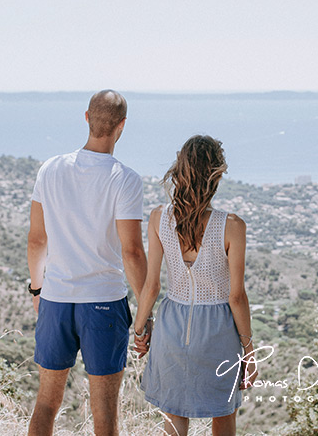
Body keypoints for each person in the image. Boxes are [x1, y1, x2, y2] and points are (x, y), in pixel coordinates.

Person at [26, 89, 148, 436]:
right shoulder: (125, 179)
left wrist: (38, 288)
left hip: (56, 298)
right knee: (105, 417)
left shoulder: (50, 169)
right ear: (122, 126)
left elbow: (37, 240)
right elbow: (132, 252)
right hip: (104, 304)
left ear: (86, 118)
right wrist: (143, 312)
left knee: (46, 405)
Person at [133, 135, 257, 436]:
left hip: (171, 327)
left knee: (173, 419)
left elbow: (151, 286)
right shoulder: (232, 226)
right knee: (223, 415)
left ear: (180, 170)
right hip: (218, 331)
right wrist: (250, 352)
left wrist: (139, 331)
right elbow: (237, 297)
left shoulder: (158, 218)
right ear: (215, 176)